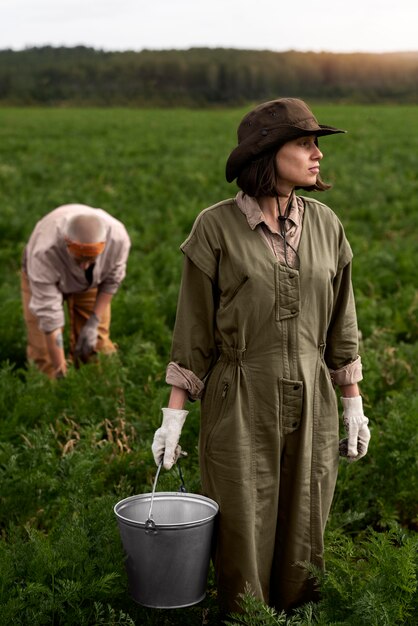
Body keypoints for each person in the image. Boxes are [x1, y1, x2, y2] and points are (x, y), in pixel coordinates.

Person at [152, 98, 371, 615]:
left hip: (314, 392)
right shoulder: (215, 227)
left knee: (306, 517)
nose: (317, 154)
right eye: (304, 143)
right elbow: (193, 333)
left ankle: (297, 615)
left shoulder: (326, 225)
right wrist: (173, 418)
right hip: (238, 393)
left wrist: (352, 404)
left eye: (317, 144)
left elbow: (343, 323)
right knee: (242, 519)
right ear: (269, 154)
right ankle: (245, 616)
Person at [21, 204, 131, 379]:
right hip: (45, 277)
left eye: (91, 259)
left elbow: (111, 281)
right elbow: (49, 315)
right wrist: (59, 370)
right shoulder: (44, 252)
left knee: (96, 344)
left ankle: (103, 396)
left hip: (92, 282)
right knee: (43, 353)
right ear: (66, 243)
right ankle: (52, 396)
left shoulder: (118, 239)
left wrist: (93, 322)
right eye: (79, 259)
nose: (85, 266)